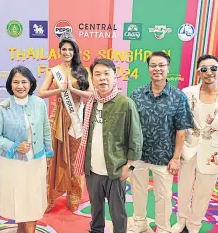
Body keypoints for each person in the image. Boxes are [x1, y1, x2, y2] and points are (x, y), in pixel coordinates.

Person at [171, 55, 218, 233]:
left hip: (212, 152)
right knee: (184, 188)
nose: (208, 72)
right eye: (203, 69)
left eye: (213, 68)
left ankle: (194, 224)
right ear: (198, 73)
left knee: (203, 193)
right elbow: (178, 119)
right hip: (188, 148)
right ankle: (181, 221)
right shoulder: (187, 92)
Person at [73, 58, 143, 233]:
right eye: (97, 74)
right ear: (92, 79)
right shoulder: (91, 102)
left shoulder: (125, 104)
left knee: (117, 213)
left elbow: (136, 138)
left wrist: (129, 166)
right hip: (93, 170)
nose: (102, 78)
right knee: (95, 209)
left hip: (115, 169)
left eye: (106, 74)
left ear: (114, 77)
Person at [128, 51, 193, 233]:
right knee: (138, 192)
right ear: (148, 69)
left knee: (163, 196)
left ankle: (163, 228)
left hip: (164, 157)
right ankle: (140, 223)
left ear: (168, 68)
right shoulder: (137, 94)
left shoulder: (178, 96)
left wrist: (175, 158)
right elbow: (131, 125)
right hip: (139, 155)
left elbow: (181, 129)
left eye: (161, 65)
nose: (157, 69)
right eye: (153, 65)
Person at [0, 66, 54, 233]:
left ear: (30, 83)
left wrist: (48, 152)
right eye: (15, 82)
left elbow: (46, 129)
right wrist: (15, 146)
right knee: (18, 201)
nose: (20, 86)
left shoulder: (39, 104)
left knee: (32, 200)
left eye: (24, 82)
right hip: (12, 164)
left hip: (36, 162)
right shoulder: (2, 108)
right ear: (10, 85)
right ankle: (20, 229)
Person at [38, 31, 93, 212]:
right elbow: (41, 93)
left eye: (70, 49)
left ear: (75, 51)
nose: (67, 52)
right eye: (64, 49)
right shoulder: (54, 71)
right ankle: (49, 198)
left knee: (75, 160)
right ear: (59, 51)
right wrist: (59, 91)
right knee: (52, 159)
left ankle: (74, 197)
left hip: (77, 120)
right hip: (57, 120)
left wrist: (74, 91)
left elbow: (91, 94)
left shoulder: (82, 71)